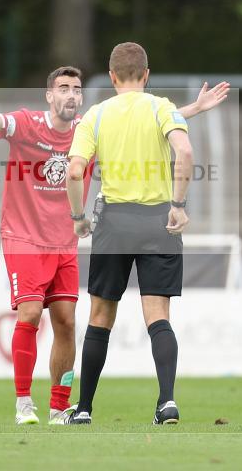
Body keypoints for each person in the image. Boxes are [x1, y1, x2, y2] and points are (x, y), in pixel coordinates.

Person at [0, 66, 227, 425]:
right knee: (32, 313)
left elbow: (144, 124)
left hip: (64, 240)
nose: (71, 94)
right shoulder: (27, 124)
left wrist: (193, 108)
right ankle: (23, 404)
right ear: (49, 95)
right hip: (23, 237)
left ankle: (58, 406)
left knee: (67, 321)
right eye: (63, 88)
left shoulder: (87, 127)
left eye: (76, 89)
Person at [66, 42, 197, 425]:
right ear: (146, 74)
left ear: (111, 77)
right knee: (158, 316)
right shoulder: (162, 107)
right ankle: (167, 402)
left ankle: (85, 407)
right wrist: (178, 204)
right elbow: (184, 152)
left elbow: (75, 172)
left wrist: (78, 216)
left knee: (100, 316)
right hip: (159, 220)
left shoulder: (97, 115)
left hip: (114, 222)